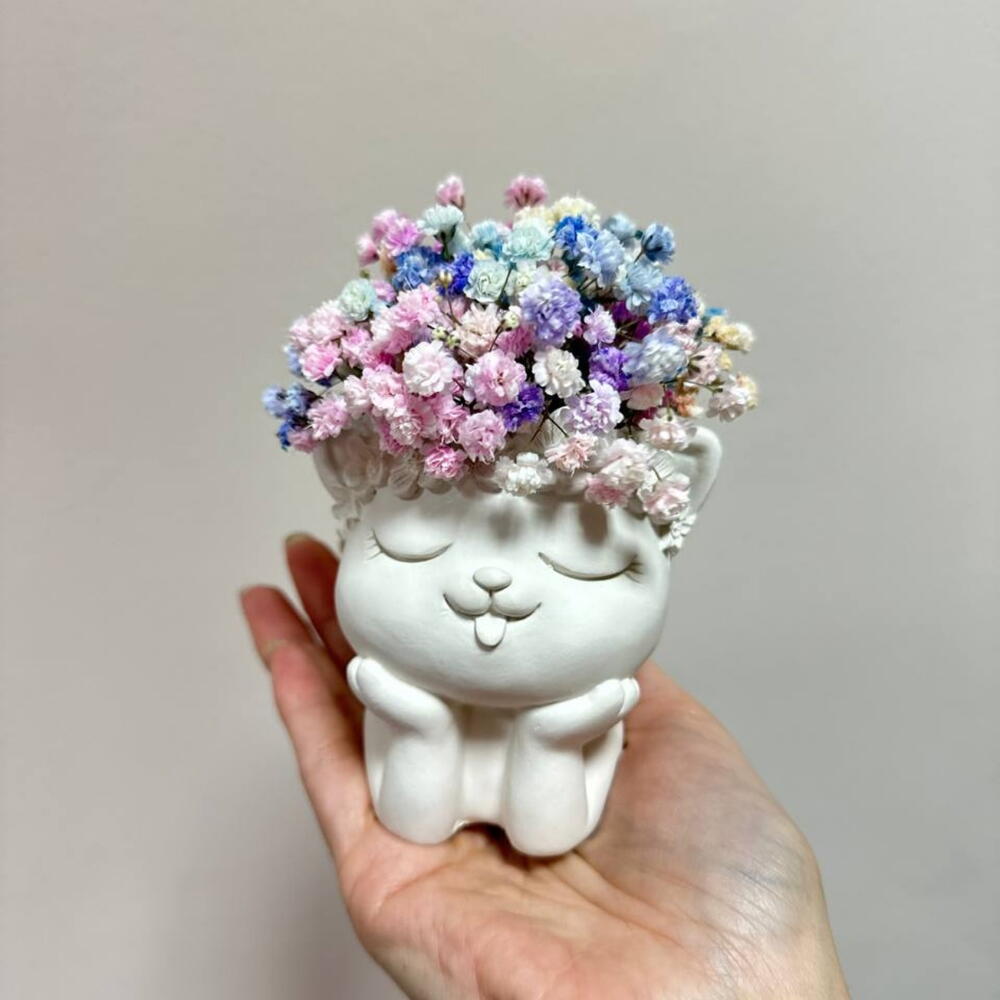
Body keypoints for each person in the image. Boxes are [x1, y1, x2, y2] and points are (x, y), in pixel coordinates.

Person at [240, 534, 850, 1000]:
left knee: (547, 832)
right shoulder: (404, 682)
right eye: (414, 548)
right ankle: (429, 731)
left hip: (552, 766)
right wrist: (411, 718)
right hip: (423, 738)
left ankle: (544, 744)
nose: (492, 580)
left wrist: (560, 736)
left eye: (577, 565)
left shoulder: (582, 699)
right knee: (415, 815)